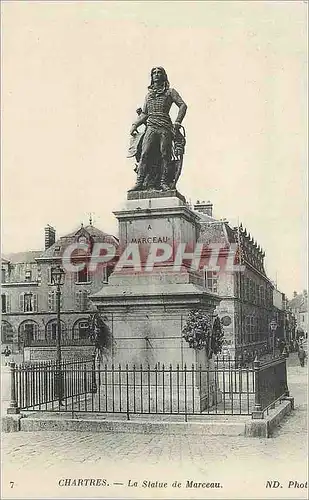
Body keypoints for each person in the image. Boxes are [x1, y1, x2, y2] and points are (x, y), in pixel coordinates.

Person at [129, 67, 187, 191]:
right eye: (154, 73)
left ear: (164, 75)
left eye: (159, 72)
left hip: (165, 127)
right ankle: (139, 182)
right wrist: (135, 125)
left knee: (165, 154)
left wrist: (177, 122)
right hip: (151, 126)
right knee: (145, 153)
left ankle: (163, 182)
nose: (156, 75)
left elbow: (182, 105)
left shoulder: (170, 92)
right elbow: (144, 114)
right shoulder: (148, 95)